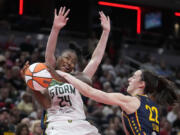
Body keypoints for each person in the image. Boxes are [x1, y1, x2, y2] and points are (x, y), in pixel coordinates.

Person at [21, 6, 110, 135]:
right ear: (57, 60)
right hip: (58, 125)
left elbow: (95, 60)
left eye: (73, 62)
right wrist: (55, 29)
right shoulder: (47, 76)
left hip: (80, 123)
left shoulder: (77, 79)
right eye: (67, 58)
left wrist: (106, 32)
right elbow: (49, 54)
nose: (69, 63)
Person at [52, 69, 178, 135]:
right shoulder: (153, 106)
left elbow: (90, 92)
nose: (129, 79)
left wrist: (67, 76)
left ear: (141, 84)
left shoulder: (131, 101)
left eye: (134, 77)